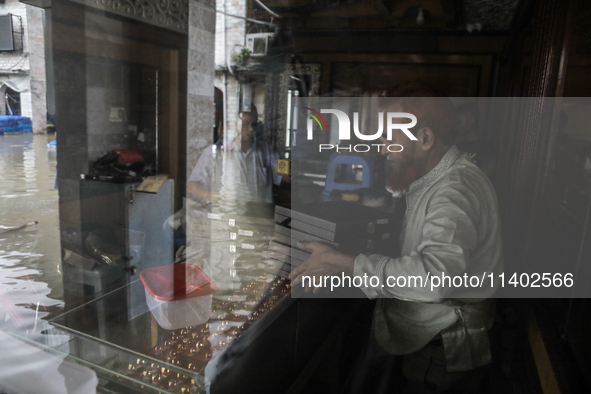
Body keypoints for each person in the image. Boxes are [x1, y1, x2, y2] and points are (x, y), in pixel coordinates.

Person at [291, 83, 503, 393]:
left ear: (425, 138)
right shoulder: (437, 177)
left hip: (442, 351)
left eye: (390, 137)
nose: (381, 145)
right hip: (429, 341)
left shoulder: (454, 191)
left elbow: (435, 280)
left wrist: (343, 263)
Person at [455, 102, 497, 180]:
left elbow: (486, 180)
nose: (457, 126)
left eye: (460, 122)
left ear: (472, 120)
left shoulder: (487, 149)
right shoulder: (456, 148)